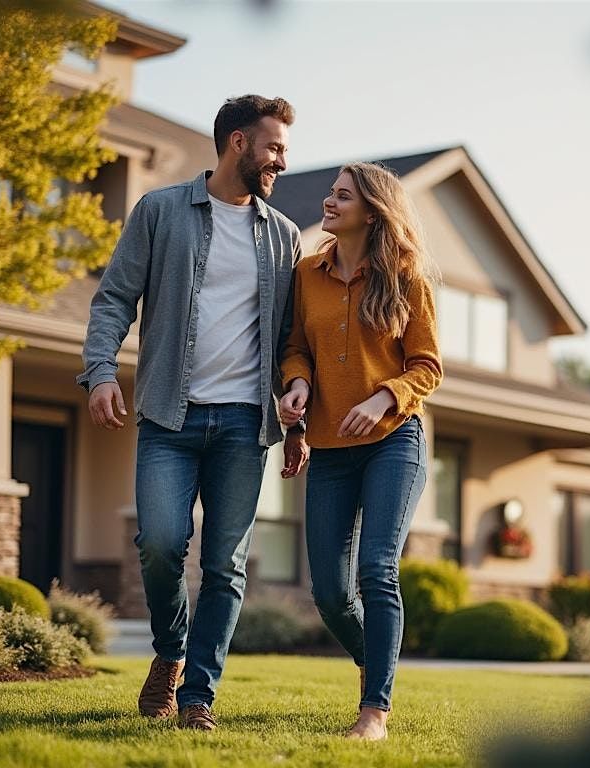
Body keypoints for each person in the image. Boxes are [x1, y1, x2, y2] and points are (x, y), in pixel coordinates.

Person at [77, 94, 309, 731]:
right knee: (158, 546)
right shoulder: (161, 211)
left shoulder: (283, 236)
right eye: (275, 147)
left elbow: (293, 338)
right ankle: (171, 654)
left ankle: (198, 697)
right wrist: (100, 372)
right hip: (168, 416)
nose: (282, 161)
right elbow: (114, 298)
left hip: (244, 423)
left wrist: (299, 419)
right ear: (238, 142)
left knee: (224, 566)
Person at [278, 161, 443, 740]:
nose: (329, 201)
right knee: (328, 590)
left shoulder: (406, 279)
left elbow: (427, 366)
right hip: (328, 446)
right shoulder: (306, 274)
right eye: (331, 193)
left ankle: (374, 711)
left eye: (342, 196)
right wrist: (296, 385)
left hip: (394, 439)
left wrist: (383, 399)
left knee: (378, 567)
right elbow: (295, 346)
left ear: (372, 210)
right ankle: (379, 667)